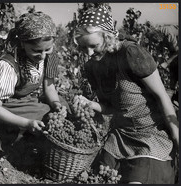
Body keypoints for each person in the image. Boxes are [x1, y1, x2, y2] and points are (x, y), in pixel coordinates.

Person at [73, 6, 179, 184]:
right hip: (119, 137)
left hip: (150, 135)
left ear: (107, 37)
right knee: (95, 178)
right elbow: (112, 109)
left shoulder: (130, 54)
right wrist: (90, 104)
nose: (89, 53)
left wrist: (177, 135)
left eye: (93, 46)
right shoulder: (92, 66)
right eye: (84, 48)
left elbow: (162, 95)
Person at [0, 11, 68, 159]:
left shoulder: (48, 57)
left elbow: (49, 87)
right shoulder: (7, 65)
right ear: (22, 43)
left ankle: (28, 138)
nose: (43, 56)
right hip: (2, 105)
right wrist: (27, 123)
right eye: (36, 51)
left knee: (62, 107)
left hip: (23, 100)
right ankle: (15, 136)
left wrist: (56, 103)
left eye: (48, 49)